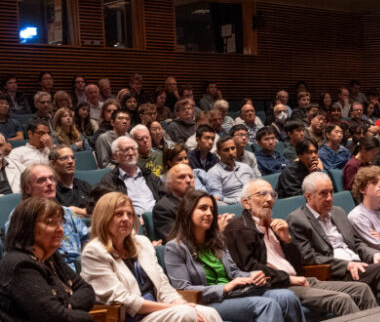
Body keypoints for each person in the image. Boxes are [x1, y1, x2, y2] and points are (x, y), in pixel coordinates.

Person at [223, 179, 377, 317]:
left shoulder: (274, 224)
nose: (269, 199)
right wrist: (289, 278)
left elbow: (299, 264)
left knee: (362, 290)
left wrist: (287, 240)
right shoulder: (239, 228)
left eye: (272, 194)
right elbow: (251, 268)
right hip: (278, 286)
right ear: (246, 203)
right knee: (342, 300)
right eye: (262, 194)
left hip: (301, 279)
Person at [164, 190, 304, 322]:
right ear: (188, 212)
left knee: (287, 297)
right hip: (209, 302)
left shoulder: (217, 241)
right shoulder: (175, 248)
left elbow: (235, 273)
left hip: (236, 294)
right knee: (265, 305)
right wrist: (224, 288)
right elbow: (183, 289)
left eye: (212, 209)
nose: (209, 213)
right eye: (203, 208)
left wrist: (252, 276)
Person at [81, 192, 223, 322]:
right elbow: (122, 300)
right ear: (104, 217)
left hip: (156, 312)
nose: (126, 219)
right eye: (118, 214)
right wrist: (170, 308)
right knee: (186, 314)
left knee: (208, 312)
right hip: (129, 316)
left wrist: (178, 303)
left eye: (129, 214)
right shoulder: (94, 252)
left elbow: (163, 285)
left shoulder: (142, 243)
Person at [286, 171, 380, 304]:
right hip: (337, 270)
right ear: (308, 196)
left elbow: (356, 242)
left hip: (359, 263)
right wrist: (346, 265)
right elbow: (309, 258)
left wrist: (374, 255)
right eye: (323, 193)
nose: (329, 198)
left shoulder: (338, 212)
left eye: (331, 192)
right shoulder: (297, 219)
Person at [0, 197, 95, 321]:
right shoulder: (20, 264)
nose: (60, 230)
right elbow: (53, 316)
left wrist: (66, 306)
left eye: (60, 222)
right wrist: (86, 317)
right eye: (50, 222)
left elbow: (87, 291)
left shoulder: (50, 257)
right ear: (28, 226)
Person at [7, 164, 91, 270]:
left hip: (81, 270)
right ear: (27, 188)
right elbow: (20, 256)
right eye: (42, 180)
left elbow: (86, 240)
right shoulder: (21, 216)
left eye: (52, 179)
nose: (50, 183)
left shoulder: (67, 213)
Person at [95, 136, 165, 215]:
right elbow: (110, 210)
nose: (131, 153)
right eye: (126, 150)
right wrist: (135, 219)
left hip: (159, 219)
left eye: (133, 149)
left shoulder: (148, 174)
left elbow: (165, 197)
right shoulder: (110, 180)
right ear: (115, 156)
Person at [208, 136, 256, 205]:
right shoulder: (214, 172)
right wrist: (238, 201)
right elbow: (217, 198)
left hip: (253, 203)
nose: (231, 153)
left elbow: (256, 187)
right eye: (226, 150)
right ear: (218, 152)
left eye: (233, 148)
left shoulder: (245, 167)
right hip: (233, 208)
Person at [49, 145, 91, 216]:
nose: (70, 161)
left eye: (72, 158)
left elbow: (101, 210)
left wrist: (77, 210)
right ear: (53, 164)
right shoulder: (50, 190)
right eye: (65, 158)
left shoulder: (84, 185)